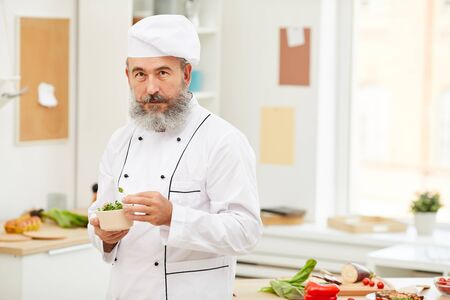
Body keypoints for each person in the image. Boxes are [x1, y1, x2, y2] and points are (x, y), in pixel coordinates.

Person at [88, 14, 262, 300]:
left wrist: (173, 217)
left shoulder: (222, 141)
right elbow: (99, 214)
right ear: (127, 75)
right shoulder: (119, 141)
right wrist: (103, 238)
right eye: (140, 74)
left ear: (186, 74)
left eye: (163, 73)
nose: (150, 88)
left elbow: (246, 232)